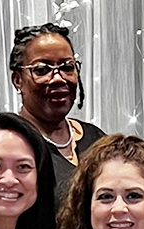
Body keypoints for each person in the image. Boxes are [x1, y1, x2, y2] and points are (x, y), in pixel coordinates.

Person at [11, 23, 106, 206]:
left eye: (67, 67)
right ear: (17, 80)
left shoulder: (96, 139)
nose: (58, 78)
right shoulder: (7, 148)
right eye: (41, 70)